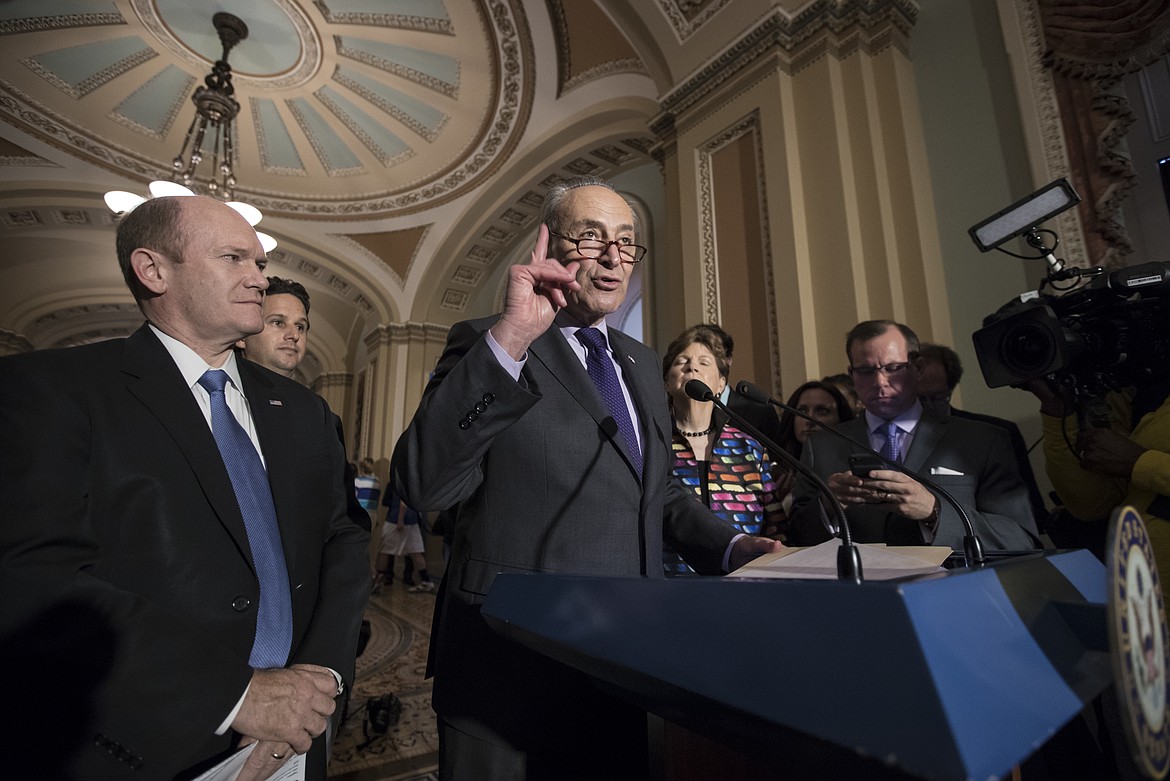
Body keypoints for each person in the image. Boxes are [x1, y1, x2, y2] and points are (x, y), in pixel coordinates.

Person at [391, 175, 780, 779]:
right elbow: (426, 483)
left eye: (626, 242)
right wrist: (514, 337)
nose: (611, 257)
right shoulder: (489, 343)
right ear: (548, 245)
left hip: (625, 658)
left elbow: (658, 490)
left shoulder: (643, 363)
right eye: (591, 237)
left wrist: (731, 545)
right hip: (510, 665)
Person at [0, 195, 370, 781]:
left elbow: (343, 541)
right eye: (234, 258)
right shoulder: (51, 391)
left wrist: (322, 677)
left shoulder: (305, 412)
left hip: (301, 730)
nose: (259, 278)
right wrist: (237, 696)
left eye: (259, 262)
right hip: (144, 744)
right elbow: (33, 579)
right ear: (153, 271)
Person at [788, 319, 1040, 550]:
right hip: (860, 593)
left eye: (893, 367)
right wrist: (827, 508)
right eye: (866, 371)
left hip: (954, 590)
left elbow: (1019, 538)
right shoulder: (821, 447)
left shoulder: (982, 441)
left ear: (917, 367)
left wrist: (935, 512)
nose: (880, 381)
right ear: (852, 375)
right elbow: (795, 540)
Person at [662, 325, 787, 569]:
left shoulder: (749, 447)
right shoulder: (651, 444)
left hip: (744, 581)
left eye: (704, 362)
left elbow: (777, 527)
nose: (692, 366)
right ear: (667, 382)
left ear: (721, 384)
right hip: (669, 586)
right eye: (682, 361)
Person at [917, 342, 1048, 524]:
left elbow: (1030, 513)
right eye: (919, 399)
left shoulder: (995, 434)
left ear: (951, 389)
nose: (928, 407)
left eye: (938, 397)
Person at [772, 380, 856, 525]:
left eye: (822, 411)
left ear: (841, 418)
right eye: (802, 411)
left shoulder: (848, 466)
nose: (809, 419)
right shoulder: (773, 468)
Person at [697, 322, 784, 446]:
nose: (696, 367)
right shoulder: (672, 412)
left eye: (705, 360)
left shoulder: (760, 412)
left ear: (728, 360)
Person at [238, 275, 311, 377]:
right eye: (278, 322)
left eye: (300, 327)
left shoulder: (308, 394)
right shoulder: (217, 390)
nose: (294, 335)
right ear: (242, 338)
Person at [374, 486, 434, 593]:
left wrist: (400, 519)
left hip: (396, 520)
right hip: (412, 520)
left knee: (384, 549)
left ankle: (377, 579)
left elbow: (403, 501)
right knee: (415, 551)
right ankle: (426, 580)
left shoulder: (401, 479)